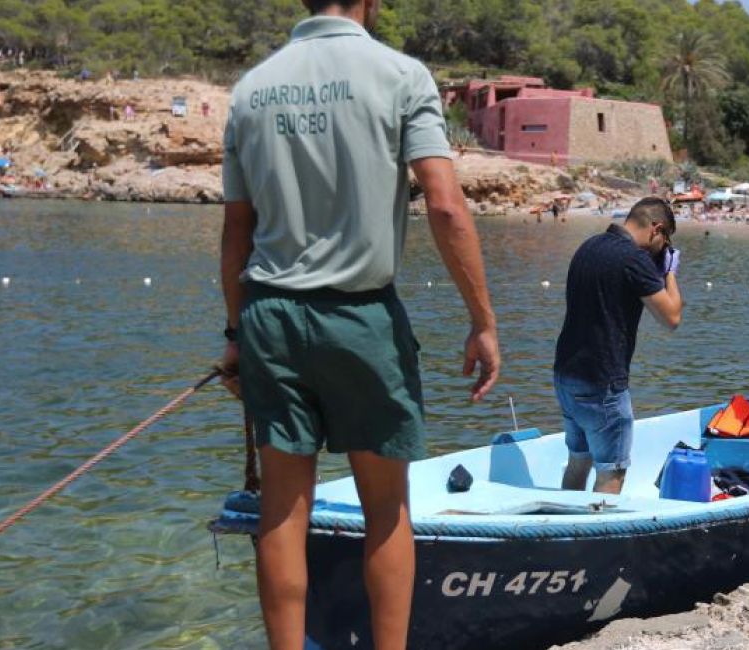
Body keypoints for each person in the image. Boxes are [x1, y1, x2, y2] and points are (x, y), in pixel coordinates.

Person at [216, 1, 500, 648]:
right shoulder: (399, 75)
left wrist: (236, 338)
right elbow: (446, 203)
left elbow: (237, 229)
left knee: (283, 513)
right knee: (385, 510)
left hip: (270, 316)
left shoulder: (252, 89)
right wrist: (482, 321)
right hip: (361, 317)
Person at [555, 198, 683, 495]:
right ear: (656, 230)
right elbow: (672, 318)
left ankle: (564, 532)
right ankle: (593, 541)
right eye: (665, 242)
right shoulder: (633, 259)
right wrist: (669, 272)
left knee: (578, 463)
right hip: (603, 385)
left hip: (566, 376)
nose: (663, 249)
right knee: (612, 474)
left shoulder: (588, 247)